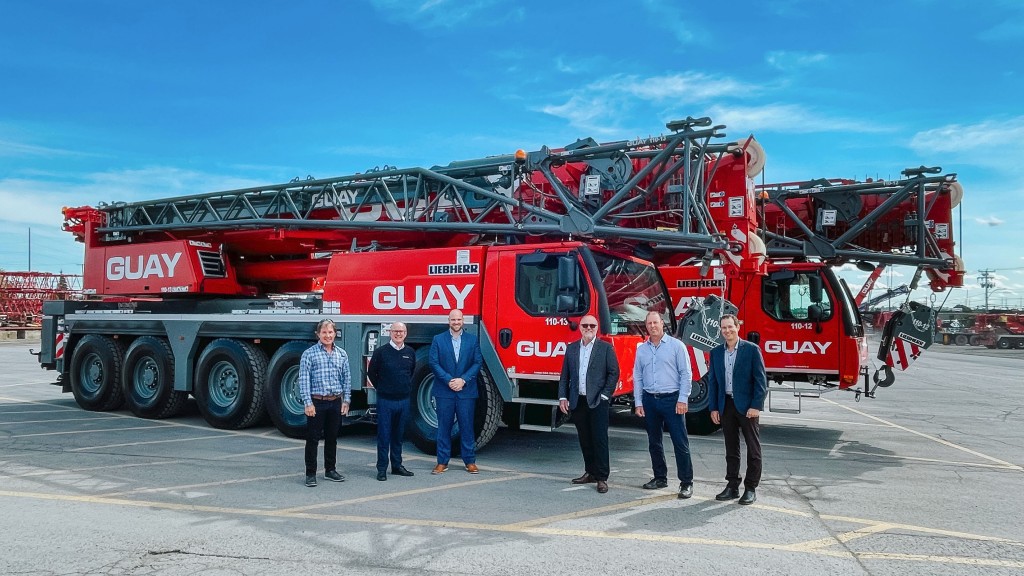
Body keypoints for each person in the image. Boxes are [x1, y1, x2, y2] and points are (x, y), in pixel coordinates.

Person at [633, 310, 694, 499]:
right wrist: (638, 402)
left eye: (655, 323)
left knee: (680, 442)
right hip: (650, 400)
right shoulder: (642, 349)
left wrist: (683, 399)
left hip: (672, 400)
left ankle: (686, 483)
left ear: (662, 324)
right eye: (649, 324)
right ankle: (660, 477)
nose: (652, 326)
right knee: (654, 442)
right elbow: (638, 377)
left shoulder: (677, 346)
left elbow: (686, 373)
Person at [708, 314, 767, 505]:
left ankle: (750, 488)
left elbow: (760, 381)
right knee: (731, 449)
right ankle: (732, 486)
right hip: (726, 405)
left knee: (753, 449)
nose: (727, 331)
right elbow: (714, 382)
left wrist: (756, 405)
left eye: (730, 327)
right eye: (723, 328)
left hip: (747, 406)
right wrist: (714, 407)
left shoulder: (751, 350)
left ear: (737, 327)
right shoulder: (716, 352)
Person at [558, 315, 620, 494]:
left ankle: (602, 478)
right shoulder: (571, 349)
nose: (589, 328)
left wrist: (605, 395)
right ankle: (590, 472)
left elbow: (614, 373)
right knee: (585, 439)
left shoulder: (605, 348)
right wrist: (563, 397)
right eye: (585, 325)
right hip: (578, 400)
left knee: (599, 439)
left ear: (597, 327)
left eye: (592, 325)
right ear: (580, 328)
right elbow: (565, 376)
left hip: (598, 401)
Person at [428, 309, 483, 475]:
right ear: (448, 321)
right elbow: (433, 362)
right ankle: (442, 462)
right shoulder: (438, 339)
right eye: (453, 320)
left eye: (459, 319)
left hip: (466, 391)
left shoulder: (472, 340)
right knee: (444, 427)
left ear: (463, 321)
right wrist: (449, 380)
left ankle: (470, 461)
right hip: (445, 391)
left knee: (467, 427)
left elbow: (477, 362)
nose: (456, 322)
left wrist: (463, 380)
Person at [298, 318, 351, 488]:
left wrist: (346, 400)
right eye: (324, 332)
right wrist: (308, 403)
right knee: (313, 439)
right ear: (318, 334)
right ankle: (311, 474)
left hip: (335, 402)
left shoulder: (342, 354)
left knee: (332, 438)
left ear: (335, 333)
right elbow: (304, 379)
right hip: (317, 402)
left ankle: (330, 470)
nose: (327, 336)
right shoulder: (309, 354)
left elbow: (346, 379)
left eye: (330, 332)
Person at [366, 322, 417, 481]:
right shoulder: (381, 352)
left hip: (403, 401)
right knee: (384, 436)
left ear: (406, 333)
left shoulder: (410, 352)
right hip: (386, 401)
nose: (398, 334)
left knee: (398, 435)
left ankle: (397, 466)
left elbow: (411, 371)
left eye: (401, 331)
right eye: (395, 331)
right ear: (390, 332)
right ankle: (382, 468)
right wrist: (383, 388)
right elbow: (371, 373)